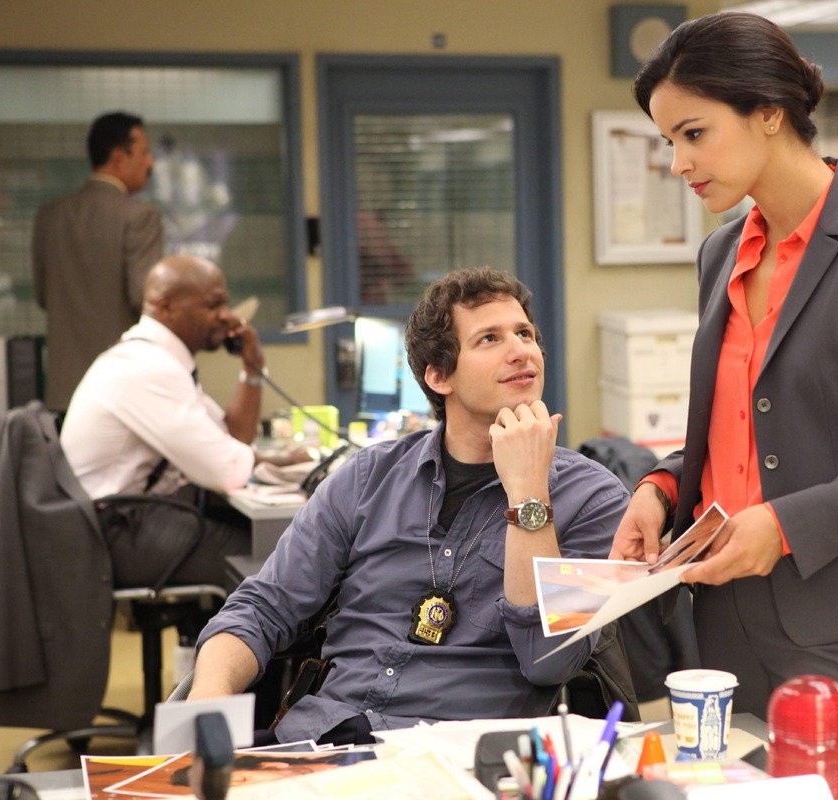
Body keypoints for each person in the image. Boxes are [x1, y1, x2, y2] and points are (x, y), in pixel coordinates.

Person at [608, 12, 838, 743]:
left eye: (694, 133)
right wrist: (662, 487)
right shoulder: (720, 254)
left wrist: (785, 527)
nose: (679, 163)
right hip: (723, 618)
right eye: (668, 142)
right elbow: (740, 428)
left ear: (769, 112)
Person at [188, 267, 629, 744]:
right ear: (439, 376)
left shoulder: (594, 498)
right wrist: (206, 701)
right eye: (490, 339)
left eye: (525, 333)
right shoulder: (367, 477)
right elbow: (262, 609)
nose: (522, 350)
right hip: (324, 739)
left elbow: (549, 661)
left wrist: (528, 496)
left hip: (461, 756)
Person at [60, 254, 268, 590]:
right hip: (111, 532)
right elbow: (227, 470)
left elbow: (233, 438)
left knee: (266, 539)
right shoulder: (146, 367)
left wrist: (252, 368)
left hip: (122, 520)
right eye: (213, 305)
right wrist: (279, 464)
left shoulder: (156, 358)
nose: (228, 316)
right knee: (273, 557)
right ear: (166, 306)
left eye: (226, 304)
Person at [32, 111, 164, 412]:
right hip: (121, 392)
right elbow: (145, 299)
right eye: (144, 152)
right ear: (118, 157)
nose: (151, 162)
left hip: (63, 393)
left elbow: (43, 296)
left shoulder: (50, 216)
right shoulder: (139, 216)